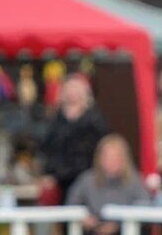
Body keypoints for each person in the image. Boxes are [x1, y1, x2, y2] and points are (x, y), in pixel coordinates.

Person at [39, 74, 109, 202]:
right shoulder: (55, 120)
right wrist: (49, 174)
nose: (72, 93)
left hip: (88, 180)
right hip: (59, 182)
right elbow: (47, 149)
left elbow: (100, 149)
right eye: (69, 89)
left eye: (76, 89)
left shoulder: (95, 120)